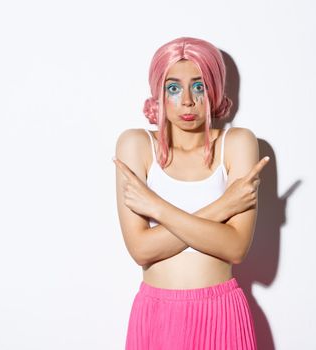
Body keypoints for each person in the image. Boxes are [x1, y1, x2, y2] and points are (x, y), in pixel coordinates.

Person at [113, 37, 269, 349]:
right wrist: (223, 206)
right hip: (157, 316)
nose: (187, 100)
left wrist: (158, 209)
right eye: (173, 88)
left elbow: (236, 247)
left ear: (215, 89)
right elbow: (141, 250)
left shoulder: (237, 143)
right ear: (159, 92)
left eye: (199, 87)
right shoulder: (136, 145)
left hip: (221, 313)